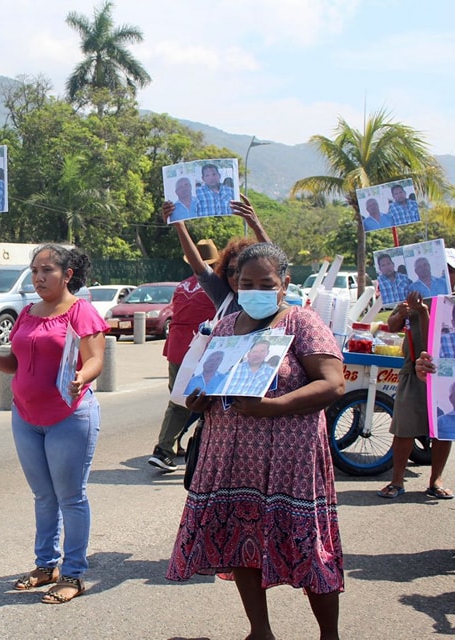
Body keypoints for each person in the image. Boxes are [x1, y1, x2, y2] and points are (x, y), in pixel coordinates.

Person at [169, 242, 345, 640]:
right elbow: (212, 380)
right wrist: (200, 397)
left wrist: (275, 406)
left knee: (308, 545)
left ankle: (329, 636)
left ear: (284, 283)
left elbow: (333, 383)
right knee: (241, 539)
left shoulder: (302, 322)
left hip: (290, 461)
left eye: (265, 283)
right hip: (232, 457)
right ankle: (259, 631)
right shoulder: (227, 327)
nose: (254, 290)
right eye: (245, 282)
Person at [0, 244, 107, 605]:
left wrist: (82, 377)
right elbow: (16, 364)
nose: (38, 277)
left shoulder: (81, 312)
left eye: (47, 270)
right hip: (26, 417)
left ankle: (74, 573)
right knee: (43, 496)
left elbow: (95, 358)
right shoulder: (28, 312)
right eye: (35, 270)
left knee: (71, 497)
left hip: (69, 416)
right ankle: (46, 564)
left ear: (67, 275)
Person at [377, 282, 454, 501]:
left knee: (442, 429)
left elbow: (436, 340)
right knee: (404, 428)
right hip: (412, 369)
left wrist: (423, 312)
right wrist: (402, 313)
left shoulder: (449, 302)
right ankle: (397, 481)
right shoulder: (411, 294)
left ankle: (435, 481)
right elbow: (392, 326)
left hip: (443, 372)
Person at [146, 239, 218, 472]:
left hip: (177, 347)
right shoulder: (215, 285)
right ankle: (164, 450)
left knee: (179, 399)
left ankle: (172, 444)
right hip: (199, 348)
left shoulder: (183, 285)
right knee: (196, 401)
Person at [167, 193, 272, 315]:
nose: (235, 277)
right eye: (230, 271)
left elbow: (275, 263)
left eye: (240, 271)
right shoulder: (223, 297)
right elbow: (198, 266)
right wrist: (180, 226)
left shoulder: (267, 299)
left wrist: (256, 225)